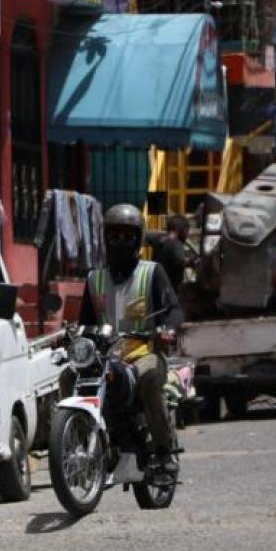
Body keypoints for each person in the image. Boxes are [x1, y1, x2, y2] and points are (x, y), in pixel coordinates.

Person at [79, 204, 184, 476]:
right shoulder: (94, 279)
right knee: (69, 377)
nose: (121, 242)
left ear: (138, 239)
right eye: (114, 236)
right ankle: (78, 441)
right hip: (106, 358)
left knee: (148, 380)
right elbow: (84, 323)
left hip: (144, 352)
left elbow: (174, 309)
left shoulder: (152, 272)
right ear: (105, 239)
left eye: (128, 236)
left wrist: (168, 330)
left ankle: (163, 451)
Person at [151, 214, 197, 291]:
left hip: (158, 285)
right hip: (170, 289)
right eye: (187, 231)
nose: (187, 234)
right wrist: (191, 262)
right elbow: (179, 262)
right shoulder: (176, 243)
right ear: (182, 230)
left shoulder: (159, 241)